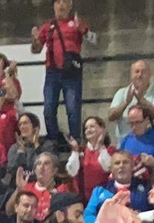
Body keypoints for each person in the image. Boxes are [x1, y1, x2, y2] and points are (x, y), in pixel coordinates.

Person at [33, 0, 92, 146]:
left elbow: (94, 39)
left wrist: (83, 30)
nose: (61, 5)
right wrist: (35, 40)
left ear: (70, 5)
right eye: (58, 2)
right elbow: (36, 49)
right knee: (48, 108)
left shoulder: (77, 22)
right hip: (52, 71)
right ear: (53, 6)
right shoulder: (47, 26)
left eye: (64, 2)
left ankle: (75, 140)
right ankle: (53, 140)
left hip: (71, 71)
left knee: (73, 108)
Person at [107, 60, 154, 142]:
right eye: (137, 72)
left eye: (143, 72)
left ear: (149, 75)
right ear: (131, 75)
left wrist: (142, 100)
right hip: (125, 142)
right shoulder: (121, 92)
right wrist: (126, 103)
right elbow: (111, 116)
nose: (139, 75)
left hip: (150, 142)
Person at [119, 106, 154, 177]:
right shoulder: (126, 140)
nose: (134, 127)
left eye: (138, 122)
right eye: (131, 123)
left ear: (146, 121)